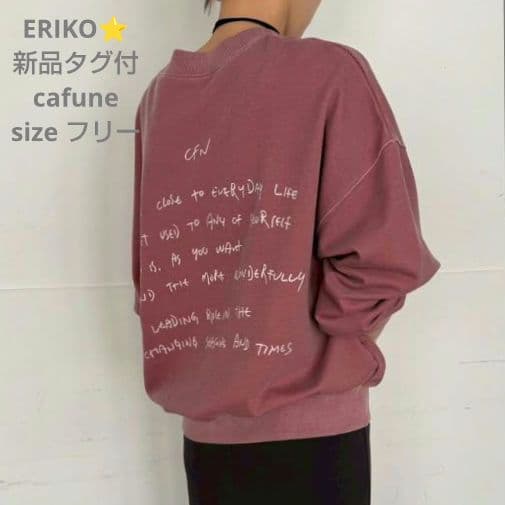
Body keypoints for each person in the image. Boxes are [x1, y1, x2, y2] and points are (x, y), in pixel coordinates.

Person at [131, 0, 442, 503]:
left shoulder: (160, 94)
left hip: (206, 447)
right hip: (314, 440)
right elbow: (384, 257)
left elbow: (154, 278)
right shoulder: (328, 71)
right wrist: (337, 347)